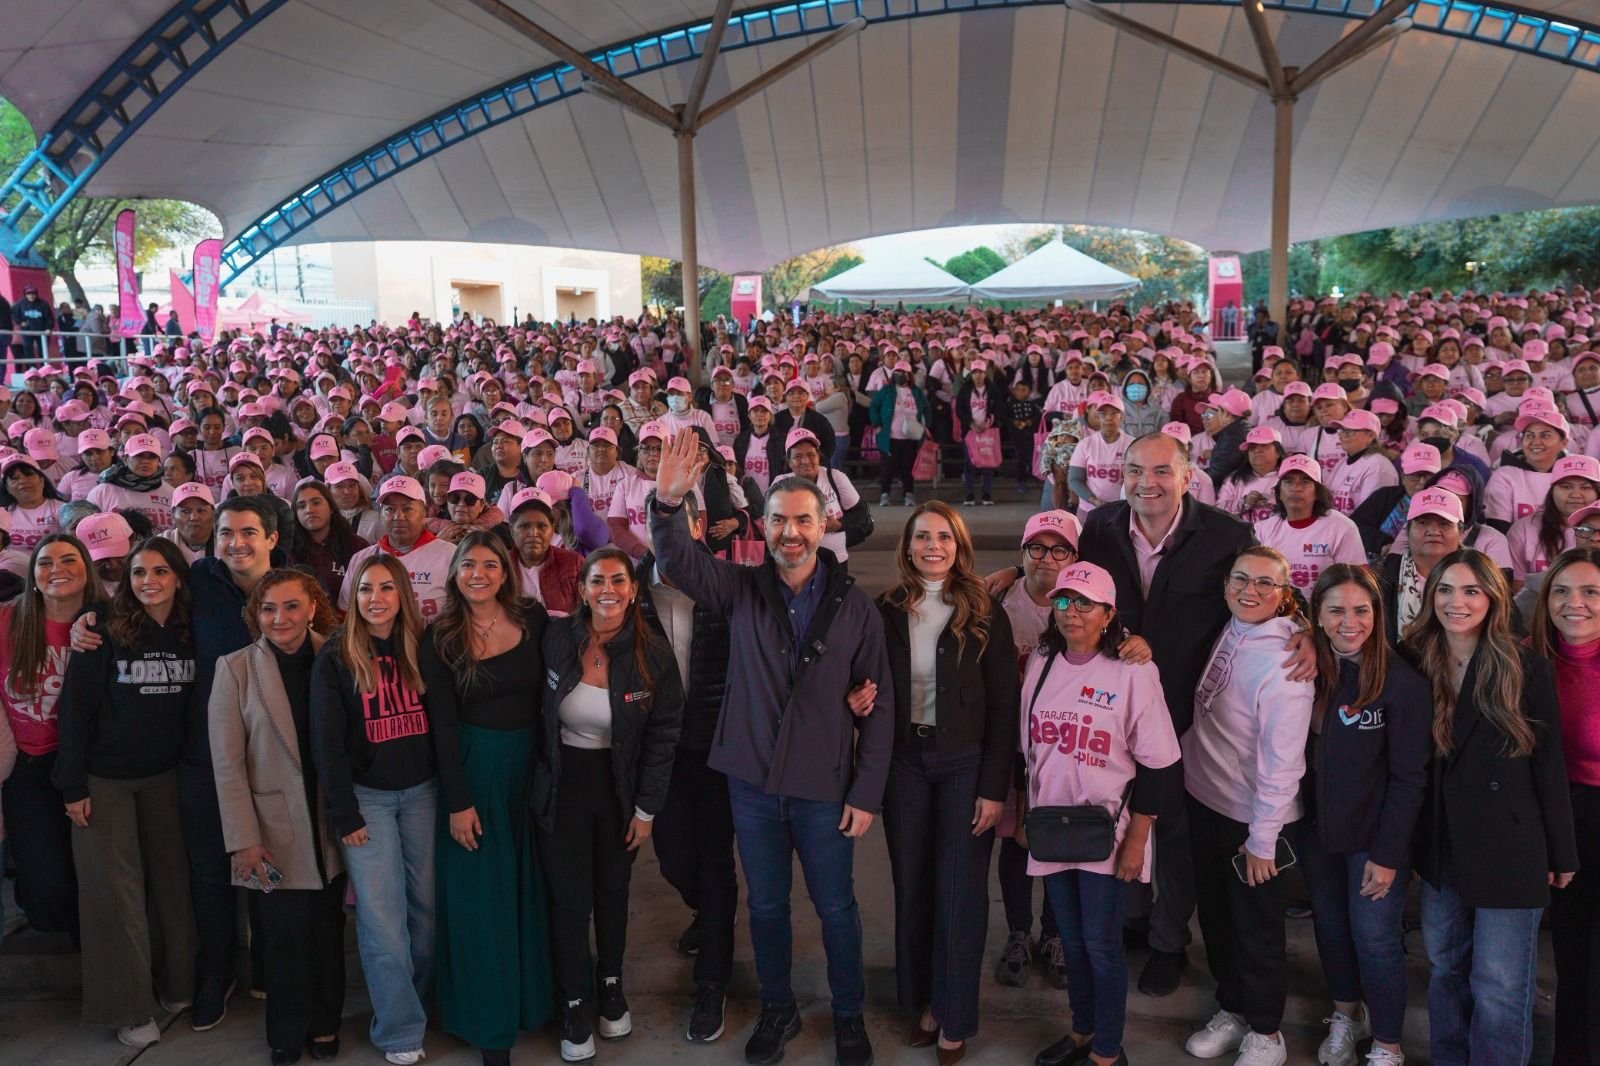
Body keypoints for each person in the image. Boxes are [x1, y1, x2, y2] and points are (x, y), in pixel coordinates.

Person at [649, 428, 892, 1066]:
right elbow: (679, 564)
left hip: (824, 787)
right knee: (766, 906)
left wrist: (866, 792)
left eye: (804, 521)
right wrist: (668, 507)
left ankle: (847, 1015)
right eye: (780, 520)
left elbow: (881, 702)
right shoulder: (740, 589)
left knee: (836, 907)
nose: (791, 533)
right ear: (766, 523)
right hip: (753, 785)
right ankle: (778, 1008)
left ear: (824, 524)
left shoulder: (855, 608)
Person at [1405, 548, 1577, 1066]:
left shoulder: (1525, 667)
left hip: (1511, 845)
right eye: (1445, 590)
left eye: (1471, 591)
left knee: (1500, 984)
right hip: (1441, 843)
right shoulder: (1412, 658)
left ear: (1494, 598)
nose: (1456, 602)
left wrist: (1561, 851)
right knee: (1445, 968)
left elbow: (1548, 766)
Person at [1023, 561, 1180, 1066]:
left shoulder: (1133, 671)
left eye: (1084, 603)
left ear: (1109, 613)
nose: (1071, 613)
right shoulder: (1042, 660)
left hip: (1105, 833)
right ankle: (1082, 1032)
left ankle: (1108, 1052)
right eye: (1064, 601)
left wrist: (1136, 840)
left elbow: (1158, 764)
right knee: (1070, 939)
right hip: (1052, 828)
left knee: (1101, 944)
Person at [877, 502, 1016, 1062]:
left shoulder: (984, 610)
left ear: (959, 546)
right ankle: (922, 1001)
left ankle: (954, 1014)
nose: (933, 546)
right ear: (907, 546)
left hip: (964, 765)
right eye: (922, 537)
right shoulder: (886, 609)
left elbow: (1004, 708)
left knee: (959, 893)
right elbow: (863, 676)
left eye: (944, 537)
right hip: (904, 762)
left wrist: (994, 786)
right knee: (913, 885)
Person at [537, 547, 683, 1062]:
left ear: (634, 589)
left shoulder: (654, 656)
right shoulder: (555, 638)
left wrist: (646, 810)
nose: (608, 591)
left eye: (619, 580)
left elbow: (664, 736)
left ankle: (611, 981)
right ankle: (575, 999)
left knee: (613, 891)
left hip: (618, 788)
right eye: (597, 580)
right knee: (569, 899)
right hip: (562, 787)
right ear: (581, 589)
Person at [53, 537, 197, 1049]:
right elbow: (75, 710)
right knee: (115, 897)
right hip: (103, 781)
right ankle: (129, 1007)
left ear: (179, 576)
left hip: (166, 778)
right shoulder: (103, 630)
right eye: (138, 572)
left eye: (160, 571)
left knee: (173, 885)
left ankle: (179, 985)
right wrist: (72, 784)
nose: (149, 581)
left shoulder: (190, 630)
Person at [421, 532, 555, 1066]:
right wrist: (458, 802)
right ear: (454, 573)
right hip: (475, 776)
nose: (479, 573)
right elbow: (443, 728)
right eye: (468, 565)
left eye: (490, 565)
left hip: (532, 772)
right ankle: (488, 1025)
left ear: (506, 571)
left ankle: (536, 1003)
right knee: (481, 902)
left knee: (532, 890)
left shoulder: (535, 619)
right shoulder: (440, 637)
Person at [1181, 546, 1314, 1066]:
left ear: (1284, 597)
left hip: (1256, 819)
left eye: (1265, 584)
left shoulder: (1285, 664)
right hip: (1205, 800)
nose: (1249, 590)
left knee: (1257, 930)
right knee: (1216, 920)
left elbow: (1284, 764)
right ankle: (1232, 1008)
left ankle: (1266, 1031)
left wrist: (1263, 841)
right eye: (1241, 579)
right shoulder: (1230, 624)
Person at [209, 568, 346, 1066]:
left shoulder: (338, 656)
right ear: (255, 614)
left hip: (332, 819)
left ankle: (326, 1022)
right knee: (284, 937)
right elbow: (226, 765)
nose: (280, 618)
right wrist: (243, 840)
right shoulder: (236, 668)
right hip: (273, 828)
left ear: (313, 607)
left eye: (291, 606)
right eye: (268, 608)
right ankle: (286, 1030)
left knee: (328, 930)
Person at [1298, 565, 1431, 1066]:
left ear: (1378, 613)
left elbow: (1409, 778)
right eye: (1335, 610)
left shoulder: (1402, 683)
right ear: (1318, 616)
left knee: (1375, 937)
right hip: (1317, 830)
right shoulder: (1308, 666)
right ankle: (1345, 1014)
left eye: (1361, 610)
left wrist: (1389, 852)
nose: (1348, 622)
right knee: (1331, 927)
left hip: (1373, 839)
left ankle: (1387, 1042)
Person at [310, 552, 436, 1066]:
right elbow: (327, 745)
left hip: (424, 794)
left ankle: (420, 1004)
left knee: (426, 916)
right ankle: (400, 1029)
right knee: (383, 922)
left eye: (386, 588)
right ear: (353, 598)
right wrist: (346, 814)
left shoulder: (424, 648)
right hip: (369, 802)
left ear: (402, 594)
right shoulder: (337, 657)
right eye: (365, 589)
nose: (376, 599)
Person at [636, 492, 741, 1042]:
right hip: (660, 753)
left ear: (699, 527)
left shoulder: (725, 588)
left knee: (715, 861)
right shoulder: (628, 590)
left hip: (716, 749)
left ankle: (713, 984)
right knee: (674, 858)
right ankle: (707, 911)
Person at [992, 511, 1082, 991]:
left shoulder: (1083, 603)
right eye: (1037, 548)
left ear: (1074, 556)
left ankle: (1055, 933)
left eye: (1059, 549)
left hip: (1064, 746)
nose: (1047, 558)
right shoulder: (1000, 598)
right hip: (1011, 741)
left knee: (1058, 839)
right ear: (1022, 552)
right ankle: (1019, 932)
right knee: (1014, 837)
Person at [0, 535, 103, 939]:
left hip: (90, 766)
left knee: (92, 874)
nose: (56, 569)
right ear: (33, 574)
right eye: (45, 562)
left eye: (67, 559)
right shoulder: (8, 621)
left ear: (87, 569)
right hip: (27, 766)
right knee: (46, 880)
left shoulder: (104, 623)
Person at [1530, 547, 1600, 1066]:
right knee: (1574, 957)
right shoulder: (1530, 659)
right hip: (1558, 815)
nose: (1573, 603)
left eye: (1591, 591)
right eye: (1561, 591)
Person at [339, 476, 456, 622]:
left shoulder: (450, 555)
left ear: (424, 512)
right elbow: (346, 614)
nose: (398, 516)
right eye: (390, 509)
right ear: (380, 515)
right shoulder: (361, 559)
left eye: (407, 509)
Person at [293, 479, 369, 600]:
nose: (309, 510)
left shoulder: (357, 546)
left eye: (316, 503)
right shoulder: (288, 549)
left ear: (331, 508)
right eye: (301, 506)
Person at [872, 359, 930, 507]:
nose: (899, 374)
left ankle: (908, 494)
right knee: (887, 466)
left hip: (910, 437)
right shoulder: (886, 390)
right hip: (890, 437)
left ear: (909, 374)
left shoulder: (916, 392)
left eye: (903, 372)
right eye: (897, 372)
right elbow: (873, 407)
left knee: (908, 467)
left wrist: (925, 426)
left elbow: (927, 409)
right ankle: (884, 494)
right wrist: (877, 424)